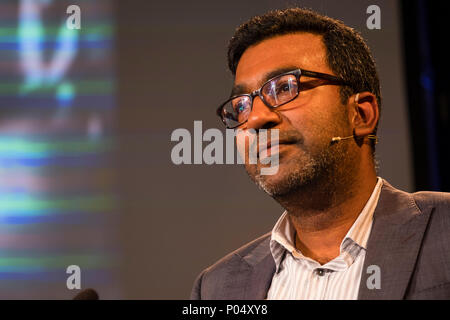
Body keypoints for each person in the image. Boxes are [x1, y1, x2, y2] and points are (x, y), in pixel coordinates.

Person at [191, 8, 450, 300]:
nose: (255, 119)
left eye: (284, 87)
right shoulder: (217, 288)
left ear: (361, 114)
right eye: (241, 106)